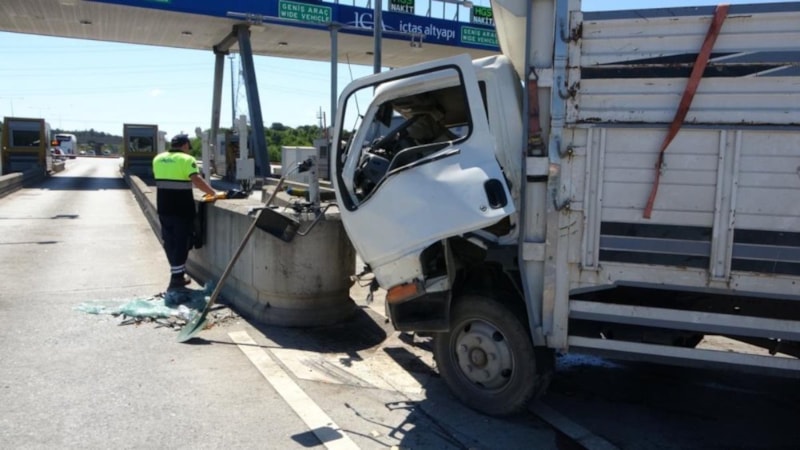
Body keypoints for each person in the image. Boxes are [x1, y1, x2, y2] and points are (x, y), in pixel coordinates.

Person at [152, 134, 217, 290]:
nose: (189, 150)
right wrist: (213, 193)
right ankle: (177, 277)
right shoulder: (187, 160)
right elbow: (196, 180)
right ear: (185, 145)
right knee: (182, 242)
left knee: (169, 241)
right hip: (181, 208)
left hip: (163, 207)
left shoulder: (158, 158)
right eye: (188, 146)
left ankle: (177, 274)